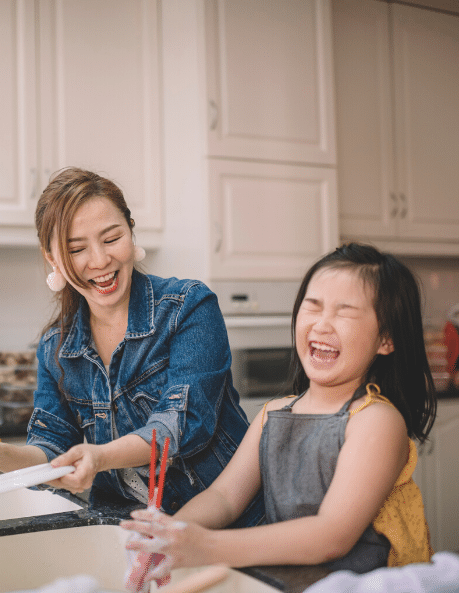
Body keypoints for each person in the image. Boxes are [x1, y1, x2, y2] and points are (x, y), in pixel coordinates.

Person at [0, 167, 262, 526]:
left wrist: (99, 457)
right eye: (76, 249)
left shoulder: (188, 307)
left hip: (228, 524)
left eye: (111, 238)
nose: (100, 261)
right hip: (129, 530)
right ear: (52, 258)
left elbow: (178, 425)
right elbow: (52, 450)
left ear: (131, 232)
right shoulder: (56, 346)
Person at [121, 242, 438, 584]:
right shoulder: (273, 414)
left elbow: (331, 536)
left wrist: (208, 545)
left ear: (386, 338)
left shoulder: (376, 421)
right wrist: (169, 534)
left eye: (344, 312)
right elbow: (224, 498)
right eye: (312, 306)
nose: (321, 324)